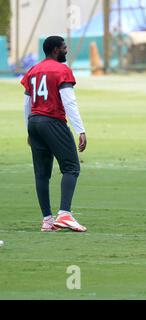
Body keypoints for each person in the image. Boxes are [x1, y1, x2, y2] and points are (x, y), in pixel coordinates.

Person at [21, 36, 87, 232]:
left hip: (34, 122)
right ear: (56, 50)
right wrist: (80, 129)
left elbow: (27, 103)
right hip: (52, 121)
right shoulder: (62, 70)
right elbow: (69, 102)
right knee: (71, 167)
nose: (67, 51)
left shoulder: (32, 71)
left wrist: (29, 129)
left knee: (41, 174)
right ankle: (64, 214)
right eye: (65, 48)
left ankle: (48, 220)